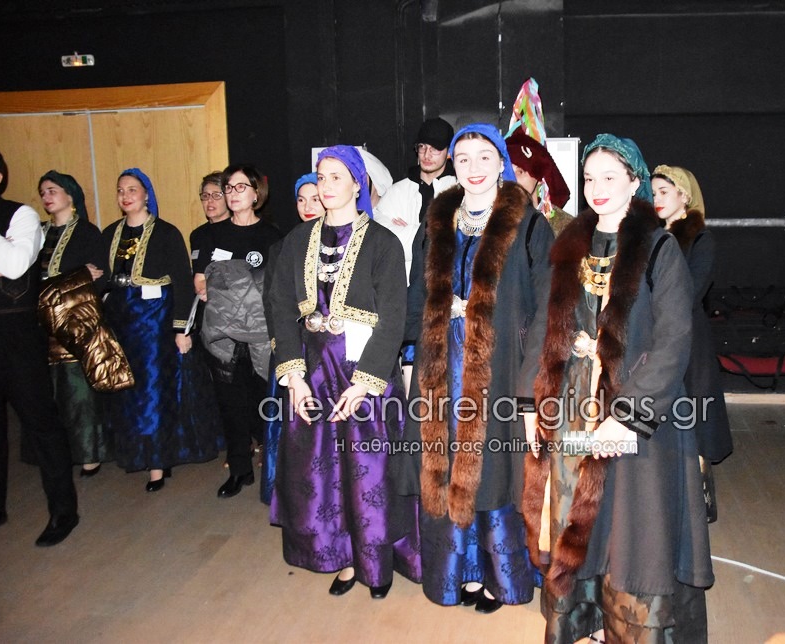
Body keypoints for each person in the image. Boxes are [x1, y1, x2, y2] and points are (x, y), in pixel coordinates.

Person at [522, 135, 713, 642]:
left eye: (610, 177)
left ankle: (629, 628)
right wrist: (528, 400)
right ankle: (584, 619)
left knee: (633, 531)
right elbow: (542, 327)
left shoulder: (659, 248)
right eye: (590, 178)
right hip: (572, 408)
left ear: (634, 182)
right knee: (575, 518)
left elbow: (675, 339)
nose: (597, 187)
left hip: (637, 409)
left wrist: (626, 415)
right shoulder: (569, 247)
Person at [400, 123, 553, 613]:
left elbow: (548, 306)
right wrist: (410, 357)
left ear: (501, 163)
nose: (473, 168)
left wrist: (533, 379)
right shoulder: (436, 222)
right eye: (463, 158)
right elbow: (416, 296)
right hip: (441, 367)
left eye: (484, 157)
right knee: (444, 465)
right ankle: (456, 572)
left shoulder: (529, 226)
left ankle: (498, 577)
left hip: (502, 368)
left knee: (495, 471)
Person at [268, 145, 419, 598]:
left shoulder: (382, 243)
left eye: (336, 177)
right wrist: (294, 377)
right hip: (314, 371)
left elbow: (392, 319)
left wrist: (365, 384)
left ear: (358, 185)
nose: (326, 185)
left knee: (370, 472)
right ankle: (345, 558)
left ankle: (378, 562)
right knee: (324, 475)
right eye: (321, 176)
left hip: (364, 375)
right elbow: (280, 308)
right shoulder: (297, 241)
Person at [101, 168, 211, 491]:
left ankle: (157, 462)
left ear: (146, 194)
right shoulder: (109, 233)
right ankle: (136, 452)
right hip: (120, 322)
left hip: (154, 324)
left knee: (152, 390)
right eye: (120, 190)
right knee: (125, 391)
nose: (125, 196)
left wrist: (181, 329)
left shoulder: (166, 233)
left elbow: (182, 283)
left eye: (132, 189)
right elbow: (103, 278)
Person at [0, 146, 79, 546]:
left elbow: (12, 265)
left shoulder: (21, 216)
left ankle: (64, 510)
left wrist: (2, 259)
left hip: (16, 335)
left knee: (41, 424)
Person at [193, 163, 281, 498]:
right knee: (230, 405)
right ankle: (239, 469)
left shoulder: (272, 236)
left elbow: (275, 289)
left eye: (240, 187)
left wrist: (228, 287)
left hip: (260, 336)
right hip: (222, 336)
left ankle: (273, 469)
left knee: (263, 403)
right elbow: (201, 283)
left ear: (256, 193)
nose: (232, 194)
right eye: (228, 188)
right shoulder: (209, 235)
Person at [652, 165, 732, 522]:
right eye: (653, 192)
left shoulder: (701, 240)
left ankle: (700, 503)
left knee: (692, 417)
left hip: (688, 340)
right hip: (654, 336)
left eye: (664, 192)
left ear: (684, 196)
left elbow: (691, 292)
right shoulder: (652, 237)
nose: (656, 199)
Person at [37, 170, 112, 477]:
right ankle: (59, 453)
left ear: (70, 195)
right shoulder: (38, 233)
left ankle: (89, 454)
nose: (46, 196)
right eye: (43, 192)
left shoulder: (87, 233)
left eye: (52, 190)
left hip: (74, 324)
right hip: (41, 324)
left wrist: (68, 282)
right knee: (48, 394)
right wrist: (75, 276)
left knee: (79, 394)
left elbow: (99, 280)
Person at [259, 171, 324, 504]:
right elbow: (273, 304)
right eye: (301, 199)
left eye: (315, 198)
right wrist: (284, 353)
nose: (308, 206)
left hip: (328, 351)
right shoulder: (282, 247)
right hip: (292, 349)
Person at [374, 117, 457, 281]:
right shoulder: (397, 191)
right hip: (403, 285)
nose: (427, 154)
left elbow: (456, 244)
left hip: (446, 284)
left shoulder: (459, 190)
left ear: (449, 152)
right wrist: (431, 234)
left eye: (435, 149)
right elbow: (382, 242)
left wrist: (407, 232)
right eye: (422, 147)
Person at [505, 128, 573, 236]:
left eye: (520, 171)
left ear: (539, 179)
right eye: (506, 172)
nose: (512, 179)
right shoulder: (490, 222)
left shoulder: (565, 228)